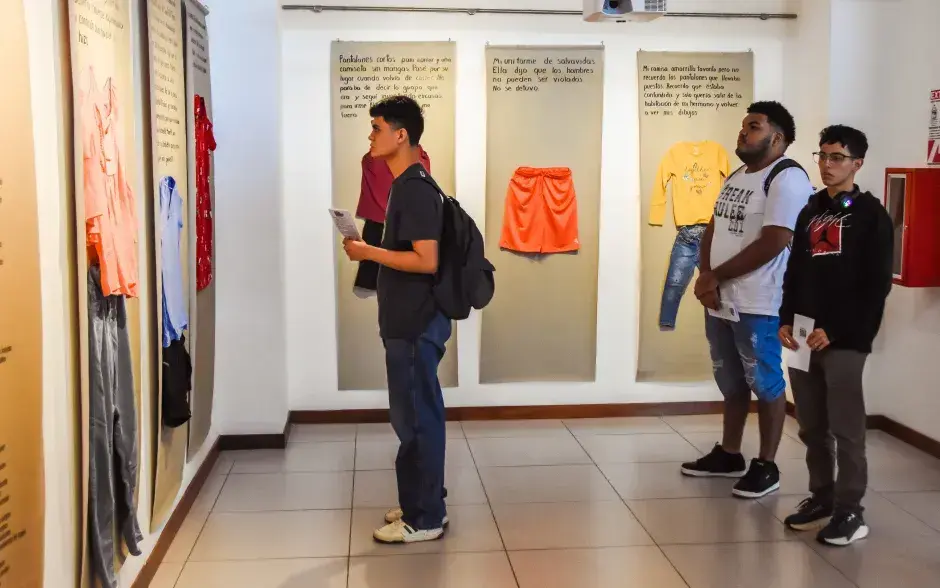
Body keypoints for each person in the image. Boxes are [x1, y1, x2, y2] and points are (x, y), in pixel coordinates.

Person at [681, 101, 814, 499]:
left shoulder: (788, 178)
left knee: (765, 382)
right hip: (722, 298)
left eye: (753, 127)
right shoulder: (739, 175)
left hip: (760, 302)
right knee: (730, 379)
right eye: (743, 126)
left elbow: (775, 240)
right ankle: (729, 453)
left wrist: (716, 276)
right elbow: (713, 227)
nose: (743, 133)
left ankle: (766, 465)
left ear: (777, 138)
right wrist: (706, 276)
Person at [342, 96, 451, 544]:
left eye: (377, 127)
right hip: (410, 320)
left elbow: (427, 260)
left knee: (415, 421)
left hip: (414, 322)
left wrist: (368, 252)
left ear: (400, 135)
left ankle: (424, 519)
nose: (370, 136)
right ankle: (425, 502)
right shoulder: (408, 184)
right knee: (417, 416)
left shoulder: (413, 189)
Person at [778, 125, 893, 546]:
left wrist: (836, 328)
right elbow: (795, 271)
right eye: (823, 156)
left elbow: (875, 285)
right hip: (804, 333)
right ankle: (822, 498)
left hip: (845, 338)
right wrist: (786, 318)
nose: (827, 165)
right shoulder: (811, 210)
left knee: (846, 429)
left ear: (857, 163)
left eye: (837, 157)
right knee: (811, 426)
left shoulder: (871, 215)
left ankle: (850, 511)